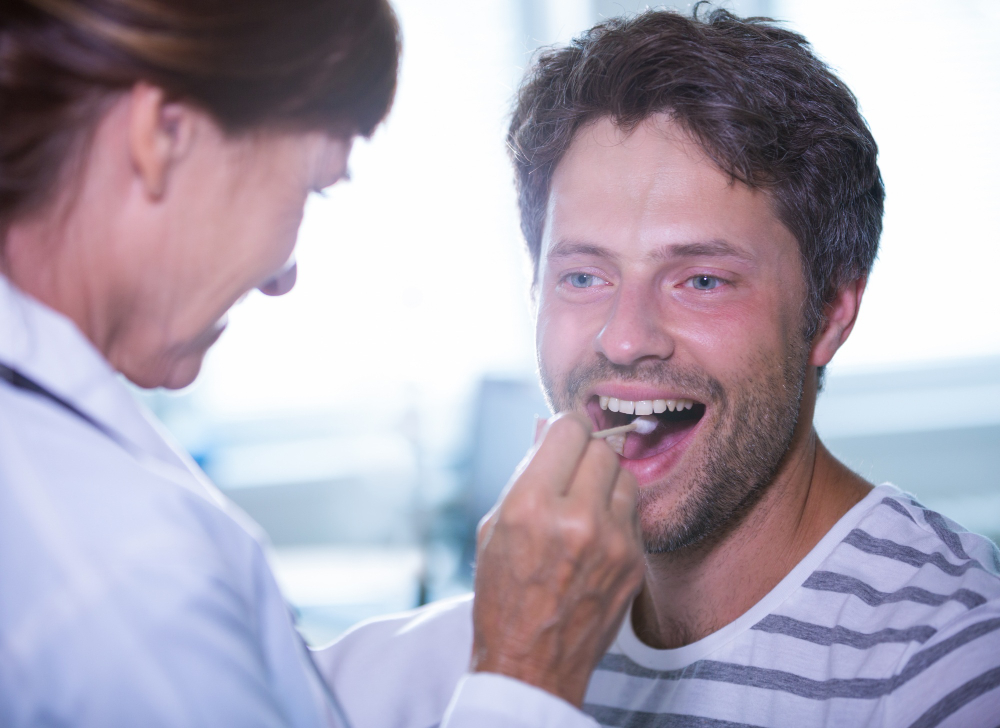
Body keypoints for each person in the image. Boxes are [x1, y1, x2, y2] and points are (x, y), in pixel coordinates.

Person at [314, 7, 1000, 727]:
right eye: (583, 277)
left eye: (701, 280)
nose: (623, 339)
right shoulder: (485, 656)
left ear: (830, 313)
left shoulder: (949, 668)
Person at [0, 0, 646, 725]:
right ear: (163, 136)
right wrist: (528, 672)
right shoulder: (116, 569)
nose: (285, 276)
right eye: (308, 186)